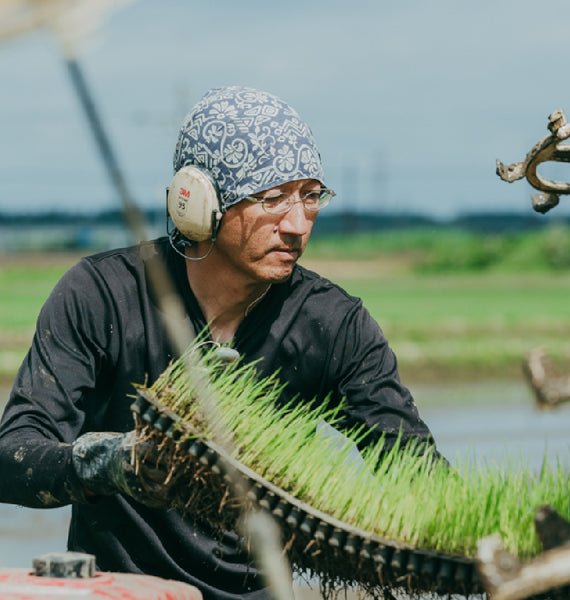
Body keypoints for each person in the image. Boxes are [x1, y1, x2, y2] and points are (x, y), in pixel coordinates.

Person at [0, 86, 442, 599]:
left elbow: (416, 474)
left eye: (311, 195)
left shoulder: (333, 324)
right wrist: (111, 462)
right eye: (272, 199)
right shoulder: (102, 296)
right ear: (199, 204)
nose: (298, 224)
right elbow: (12, 456)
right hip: (122, 592)